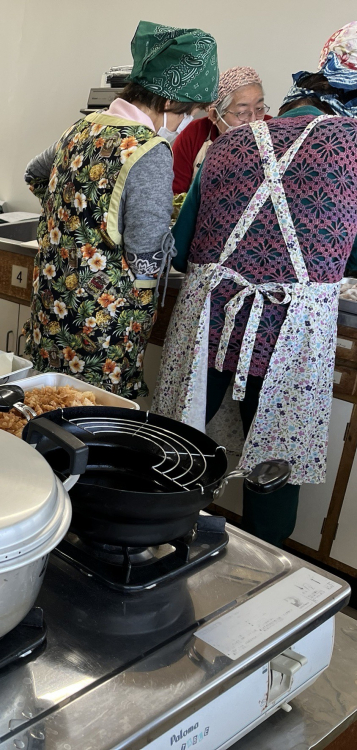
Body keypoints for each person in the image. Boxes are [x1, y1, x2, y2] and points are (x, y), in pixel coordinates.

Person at [153, 21, 357, 549]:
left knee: (180, 445)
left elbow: (180, 240)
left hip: (210, 322)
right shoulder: (351, 150)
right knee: (274, 464)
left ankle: (157, 546)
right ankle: (263, 576)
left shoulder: (226, 145)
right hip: (291, 335)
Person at [24, 21, 218, 399]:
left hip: (52, 304)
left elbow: (35, 174)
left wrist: (71, 216)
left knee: (46, 404)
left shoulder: (80, 128)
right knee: (94, 416)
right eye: (184, 114)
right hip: (102, 323)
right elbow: (146, 250)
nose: (182, 124)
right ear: (166, 102)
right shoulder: (149, 151)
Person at [171, 67, 269, 194]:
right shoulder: (194, 134)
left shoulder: (273, 128)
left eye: (259, 108)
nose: (253, 120)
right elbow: (175, 193)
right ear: (214, 116)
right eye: (242, 112)